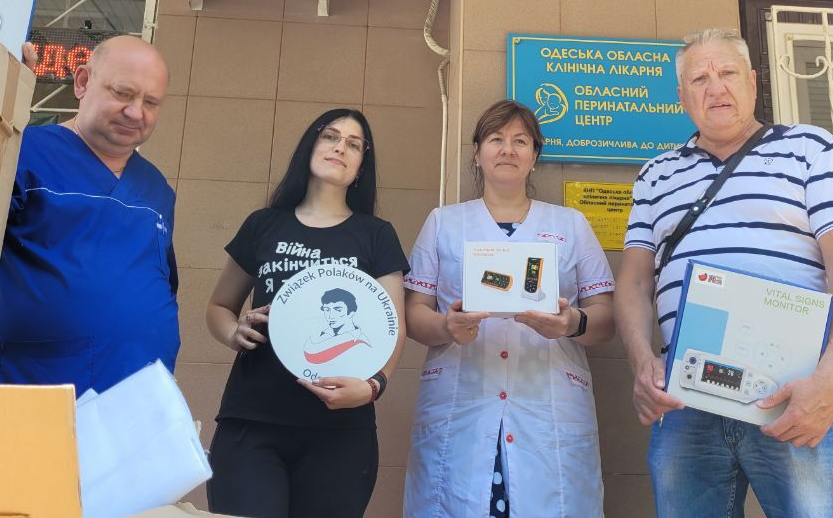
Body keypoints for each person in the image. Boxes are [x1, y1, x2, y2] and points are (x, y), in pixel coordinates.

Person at [616, 28, 833, 517]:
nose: (715, 87)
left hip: (793, 388)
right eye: (699, 79)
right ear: (682, 96)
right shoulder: (655, 174)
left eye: (727, 73)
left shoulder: (811, 148)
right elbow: (634, 281)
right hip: (685, 395)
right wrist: (641, 362)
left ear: (752, 82)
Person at [403, 99, 616, 518]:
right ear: (477, 153)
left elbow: (606, 317)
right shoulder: (443, 223)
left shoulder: (570, 224)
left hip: (547, 407)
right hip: (463, 401)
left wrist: (570, 323)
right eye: (496, 139)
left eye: (520, 141)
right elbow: (414, 314)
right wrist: (447, 327)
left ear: (535, 156)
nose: (507, 149)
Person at [205, 108, 408, 518]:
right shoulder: (263, 225)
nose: (340, 148)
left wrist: (374, 387)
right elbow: (219, 307)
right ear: (310, 146)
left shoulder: (376, 234)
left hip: (341, 432)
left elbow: (394, 327)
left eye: (354, 144)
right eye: (330, 136)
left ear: (361, 165)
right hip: (252, 421)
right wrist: (232, 332)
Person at [0, 35, 179, 397]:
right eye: (123, 93)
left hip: (137, 400)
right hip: (34, 388)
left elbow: (160, 281)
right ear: (83, 82)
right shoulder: (22, 152)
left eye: (151, 102)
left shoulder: (157, 189)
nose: (136, 112)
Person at [304, 288, 371, 364]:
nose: (330, 316)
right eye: (327, 310)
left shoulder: (361, 344)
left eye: (338, 310)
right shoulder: (319, 335)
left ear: (351, 313)